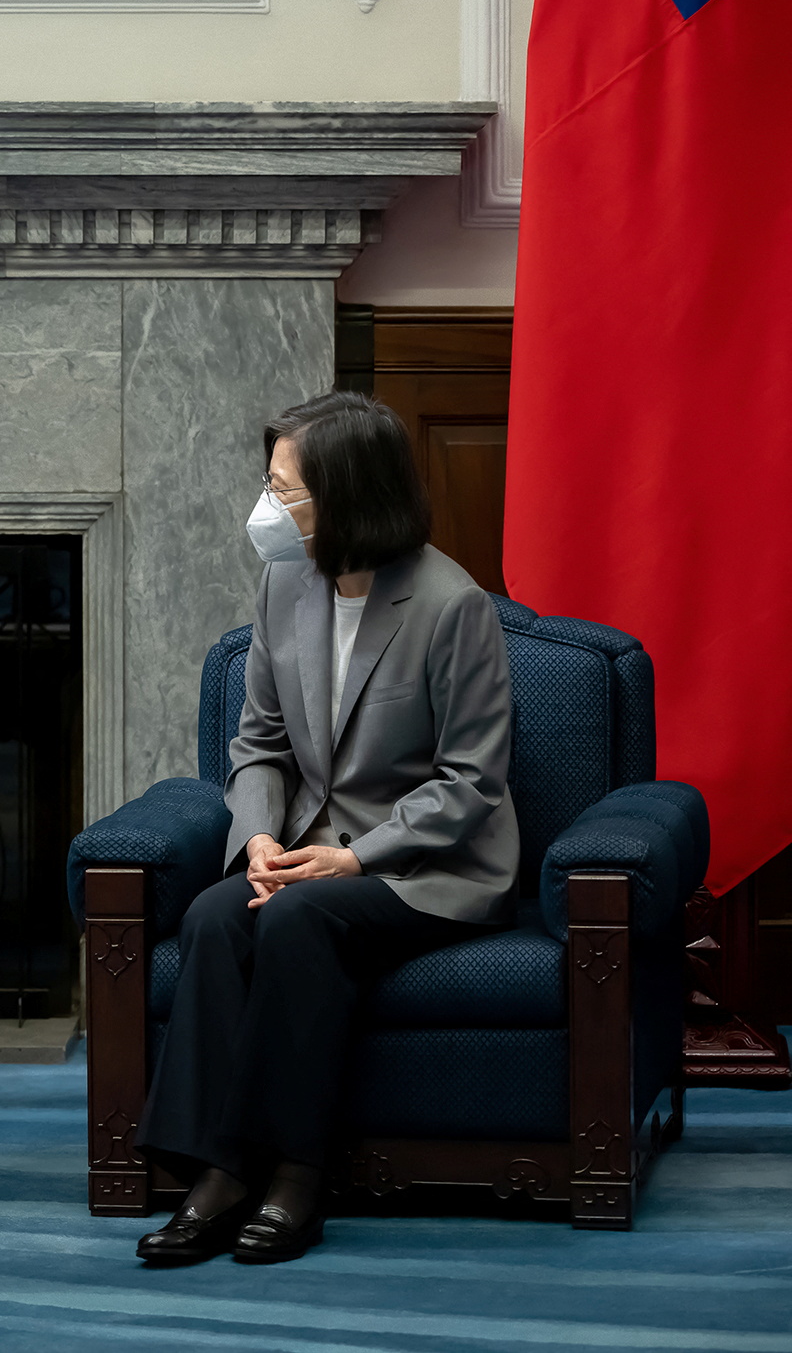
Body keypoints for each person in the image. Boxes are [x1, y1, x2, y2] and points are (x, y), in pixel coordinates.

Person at [135, 391, 518, 1265]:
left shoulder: (452, 606)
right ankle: (215, 1165)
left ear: (347, 495)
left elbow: (472, 782)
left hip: (428, 865)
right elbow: (260, 741)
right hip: (307, 847)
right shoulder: (283, 582)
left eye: (285, 490)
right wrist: (260, 839)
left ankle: (287, 1179)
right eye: (268, 484)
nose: (266, 508)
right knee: (211, 915)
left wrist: (354, 857)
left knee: (302, 920)